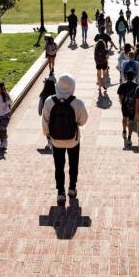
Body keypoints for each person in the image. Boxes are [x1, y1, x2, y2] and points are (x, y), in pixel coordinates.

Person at [42, 74, 89, 205]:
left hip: (56, 140)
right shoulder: (78, 102)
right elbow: (83, 121)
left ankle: (60, 192)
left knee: (59, 166)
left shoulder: (49, 101)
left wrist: (48, 135)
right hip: (73, 140)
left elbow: (45, 121)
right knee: (73, 164)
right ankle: (72, 188)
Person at [117, 70, 139, 148]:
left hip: (125, 105)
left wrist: (121, 102)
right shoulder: (136, 86)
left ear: (126, 76)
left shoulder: (123, 85)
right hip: (133, 106)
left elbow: (119, 95)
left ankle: (124, 130)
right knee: (131, 121)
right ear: (133, 77)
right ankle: (129, 137)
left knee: (124, 118)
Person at [38, 75, 57, 151]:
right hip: (55, 114)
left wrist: (40, 112)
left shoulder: (43, 95)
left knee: (47, 128)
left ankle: (49, 142)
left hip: (46, 115)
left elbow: (40, 106)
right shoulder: (57, 94)